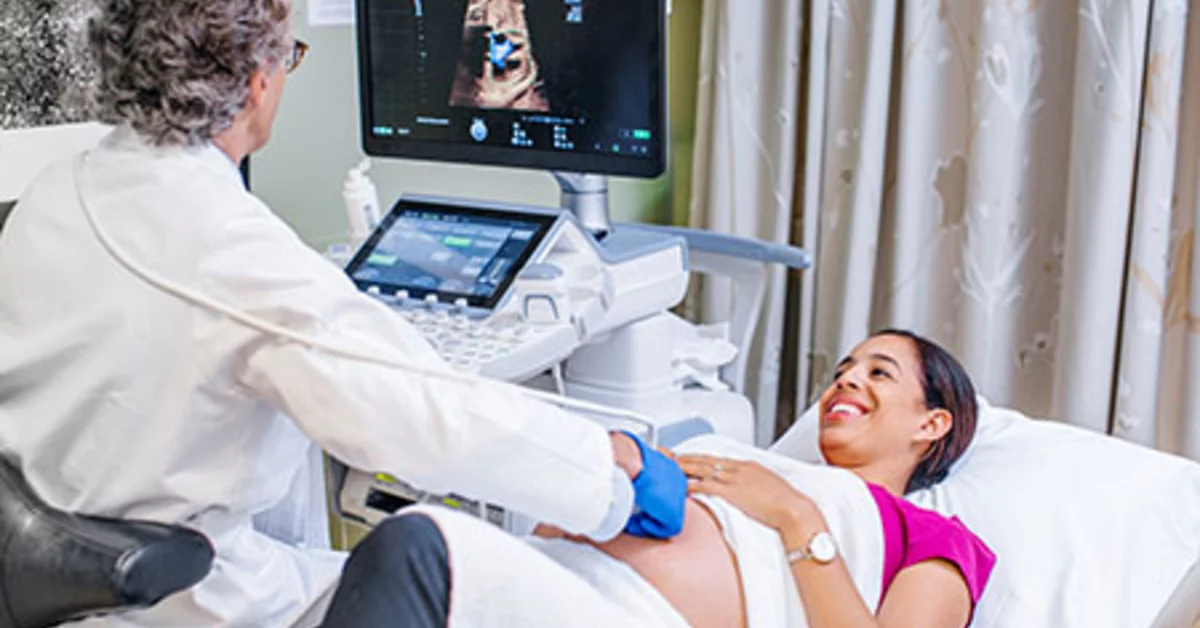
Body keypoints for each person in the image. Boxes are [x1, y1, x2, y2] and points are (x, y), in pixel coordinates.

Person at [0, 0, 686, 625]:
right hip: (182, 603)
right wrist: (610, 472)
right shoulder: (223, 245)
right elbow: (417, 413)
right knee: (490, 587)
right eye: (288, 58)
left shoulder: (55, 191)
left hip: (70, 581)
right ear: (256, 81)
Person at [346, 329, 996, 628]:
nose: (846, 380)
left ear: (931, 423)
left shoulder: (935, 538)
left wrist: (796, 518)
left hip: (641, 612)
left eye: (879, 373)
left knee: (419, 549)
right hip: (561, 576)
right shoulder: (744, 463)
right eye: (843, 370)